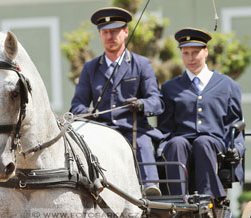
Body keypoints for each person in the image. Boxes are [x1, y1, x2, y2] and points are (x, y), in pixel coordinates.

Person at [70, 7, 164, 196]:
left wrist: (142, 104)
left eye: (114, 31)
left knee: (144, 142)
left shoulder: (141, 64)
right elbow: (76, 106)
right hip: (102, 131)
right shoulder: (90, 68)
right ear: (99, 35)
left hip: (134, 129)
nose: (110, 36)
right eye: (105, 32)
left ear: (126, 32)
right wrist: (89, 112)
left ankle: (150, 187)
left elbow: (157, 102)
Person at [157, 27, 245, 204]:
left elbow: (236, 122)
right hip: (181, 143)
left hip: (214, 144)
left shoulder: (228, 85)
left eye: (195, 52)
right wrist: (161, 146)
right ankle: (178, 201)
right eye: (186, 53)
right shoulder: (169, 88)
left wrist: (238, 148)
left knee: (203, 142)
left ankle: (209, 199)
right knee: (175, 143)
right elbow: (165, 127)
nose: (190, 58)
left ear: (206, 51)